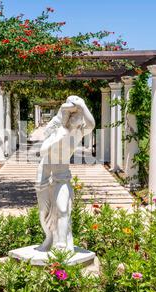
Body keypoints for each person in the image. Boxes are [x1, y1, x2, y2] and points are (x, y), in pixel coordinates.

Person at [35, 96, 95, 252]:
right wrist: (63, 115)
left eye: (77, 115)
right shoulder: (57, 127)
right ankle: (49, 238)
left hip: (61, 175)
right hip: (45, 171)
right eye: (72, 114)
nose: (74, 116)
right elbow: (43, 147)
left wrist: (82, 105)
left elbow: (91, 124)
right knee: (44, 212)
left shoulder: (78, 133)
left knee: (62, 209)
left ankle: (61, 244)